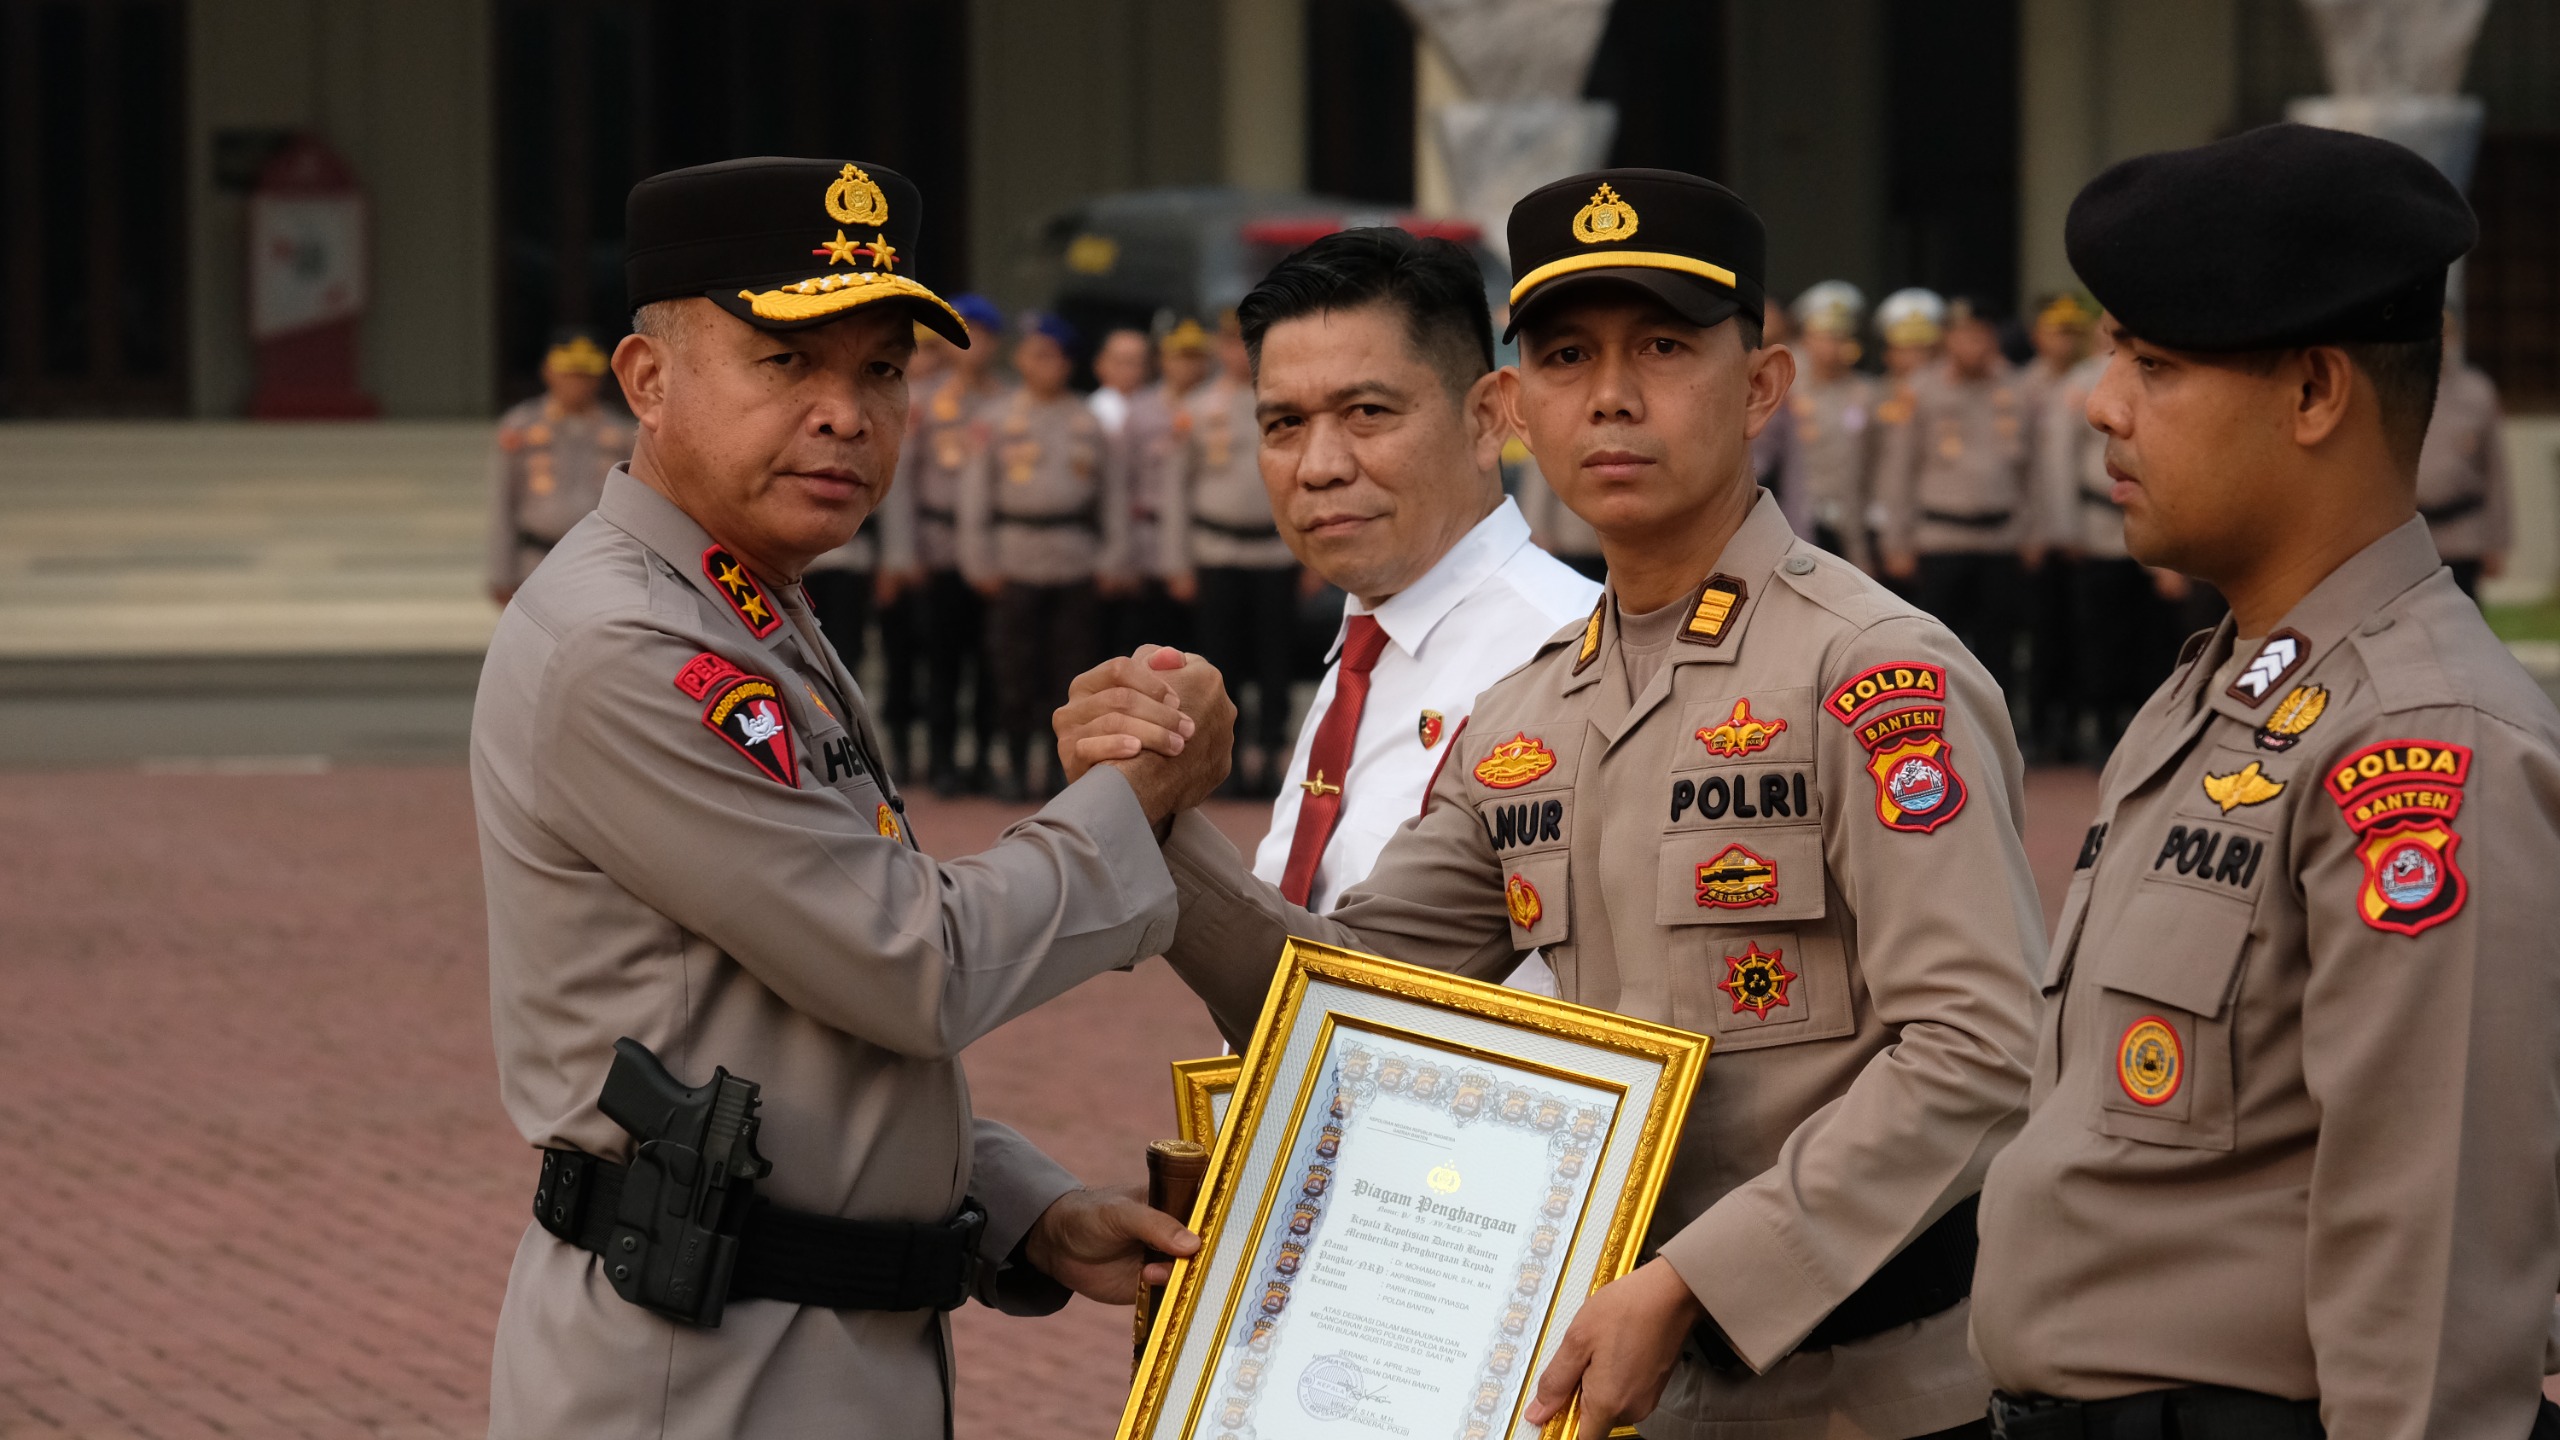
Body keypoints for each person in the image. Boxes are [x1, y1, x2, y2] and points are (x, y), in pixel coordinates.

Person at [1061, 167, 2043, 1440]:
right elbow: (1352, 998)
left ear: (1760, 387)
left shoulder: (1867, 673)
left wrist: (1699, 1280)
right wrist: (1148, 819)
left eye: (1666, 348)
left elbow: (1981, 1045)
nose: (1614, 396)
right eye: (1569, 355)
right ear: (1517, 405)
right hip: (1634, 1392)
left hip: (1871, 1395)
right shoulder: (1527, 718)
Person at [471, 156, 1212, 1439]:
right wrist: (1129, 801)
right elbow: (907, 962)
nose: (846, 414)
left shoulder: (746, 605)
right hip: (702, 1373)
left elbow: (781, 1026)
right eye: (783, 362)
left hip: (787, 1334)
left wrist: (1020, 1207)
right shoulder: (637, 647)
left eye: (880, 370)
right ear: (647, 383)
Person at [1970, 123, 2560, 1439]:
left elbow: (2433, 1298)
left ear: (2312, 394)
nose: (2099, 402)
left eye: (2156, 364)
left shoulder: (2422, 744)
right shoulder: (2226, 686)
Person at [1230, 226, 1601, 992]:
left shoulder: (1576, 655)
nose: (1320, 467)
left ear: (1489, 418)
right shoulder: (1370, 642)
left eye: (1367, 412)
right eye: (1284, 425)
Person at [959, 311, 1125, 799]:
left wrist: (1113, 558)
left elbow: (1111, 497)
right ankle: (1012, 765)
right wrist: (978, 562)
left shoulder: (1087, 419)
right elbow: (975, 497)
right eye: (1034, 355)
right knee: (1013, 671)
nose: (1042, 365)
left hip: (1074, 560)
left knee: (1070, 674)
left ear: (1068, 364)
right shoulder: (996, 418)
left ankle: (1059, 770)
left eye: (1051, 357)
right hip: (1014, 560)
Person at [877, 292, 1009, 794]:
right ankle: (941, 762)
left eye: (984, 335)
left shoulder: (1006, 402)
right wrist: (902, 554)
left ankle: (982, 760)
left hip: (994, 552)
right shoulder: (926, 402)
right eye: (965, 336)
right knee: (941, 661)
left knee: (990, 663)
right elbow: (901, 483)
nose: (974, 347)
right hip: (935, 545)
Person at [2035, 321, 2184, 757]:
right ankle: (2100, 726)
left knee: (2151, 635)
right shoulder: (2083, 380)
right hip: (2098, 524)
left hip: (2155, 520)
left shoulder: (2165, 372)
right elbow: (2058, 459)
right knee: (2099, 633)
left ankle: (2142, 724)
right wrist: (2065, 527)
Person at [1170, 309, 1303, 797]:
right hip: (1216, 549)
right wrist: (1177, 561)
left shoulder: (1286, 403)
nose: (1237, 355)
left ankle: (1269, 757)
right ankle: (1223, 763)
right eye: (1229, 344)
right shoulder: (1198, 407)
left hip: (1275, 551)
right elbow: (1175, 489)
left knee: (1275, 662)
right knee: (1219, 666)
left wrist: (1309, 559)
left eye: (1247, 345)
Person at [1875, 297, 2035, 698]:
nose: (1973, 346)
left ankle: (2004, 726)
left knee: (1998, 642)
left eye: (1981, 336)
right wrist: (1895, 540)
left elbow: (2031, 470)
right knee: (1936, 641)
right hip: (1939, 536)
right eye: (1963, 336)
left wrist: (2034, 530)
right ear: (1948, 340)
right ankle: (1935, 716)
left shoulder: (2015, 388)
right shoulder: (1920, 390)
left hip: (2001, 537)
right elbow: (1898, 470)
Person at [487, 329, 633, 603]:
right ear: (548, 371)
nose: (578, 383)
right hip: (535, 558)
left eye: (586, 374)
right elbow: (504, 501)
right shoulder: (522, 426)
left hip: (599, 560)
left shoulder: (619, 431)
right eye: (569, 373)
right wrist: (501, 571)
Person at [2018, 293, 2097, 760]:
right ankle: (2042, 725)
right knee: (2042, 633)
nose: (2065, 340)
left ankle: (2073, 724)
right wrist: (2031, 531)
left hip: (2084, 531)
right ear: (2037, 335)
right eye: (2056, 330)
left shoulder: (2093, 380)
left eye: (2073, 330)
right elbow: (2023, 470)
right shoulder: (2023, 387)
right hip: (2036, 531)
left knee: (2080, 632)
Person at [1112, 318, 1210, 653]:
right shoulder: (1140, 411)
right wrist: (1121, 555)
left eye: (1194, 357)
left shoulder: (1213, 409)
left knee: (1200, 645)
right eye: (1179, 356)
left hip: (1200, 540)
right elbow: (1121, 485)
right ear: (1163, 360)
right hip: (1148, 537)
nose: (1186, 365)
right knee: (1147, 640)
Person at [1783, 281, 1881, 570]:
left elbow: (1876, 462)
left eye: (1841, 337)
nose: (1832, 346)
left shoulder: (1865, 392)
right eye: (1824, 336)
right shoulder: (1784, 385)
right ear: (1806, 338)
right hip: (1792, 516)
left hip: (1849, 520)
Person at [2417, 309, 2513, 600]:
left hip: (2463, 534)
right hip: (2415, 533)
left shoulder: (2477, 393)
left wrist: (2497, 542)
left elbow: (2496, 472)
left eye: (2447, 335)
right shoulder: (2407, 390)